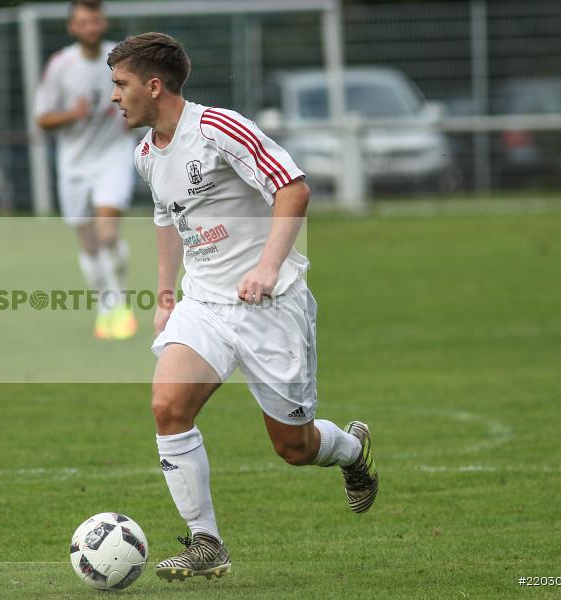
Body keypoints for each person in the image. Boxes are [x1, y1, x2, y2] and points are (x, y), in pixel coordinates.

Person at [107, 33, 379, 582]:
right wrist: (165, 296)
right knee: (167, 408)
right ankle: (207, 542)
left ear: (153, 86)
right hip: (204, 303)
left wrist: (268, 267)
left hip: (270, 307)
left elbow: (294, 189)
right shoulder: (145, 155)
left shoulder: (218, 130)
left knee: (294, 448)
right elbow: (168, 222)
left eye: (121, 84)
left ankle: (351, 451)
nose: (114, 96)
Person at [34, 0, 137, 339]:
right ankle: (104, 307)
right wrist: (71, 115)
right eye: (83, 21)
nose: (90, 26)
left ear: (103, 23)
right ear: (73, 27)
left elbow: (140, 97)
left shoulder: (120, 59)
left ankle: (120, 305)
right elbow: (43, 118)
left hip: (113, 155)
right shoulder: (61, 65)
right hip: (74, 163)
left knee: (107, 232)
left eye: (95, 19)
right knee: (88, 242)